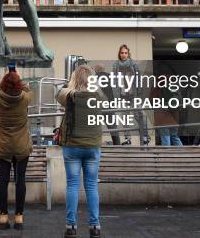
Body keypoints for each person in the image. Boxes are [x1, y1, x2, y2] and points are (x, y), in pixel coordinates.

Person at [56, 65, 104, 238]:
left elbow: (59, 93)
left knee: (72, 185)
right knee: (91, 186)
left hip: (72, 146)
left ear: (75, 79)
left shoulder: (69, 96)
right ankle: (95, 226)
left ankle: (71, 225)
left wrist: (71, 83)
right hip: (92, 146)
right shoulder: (99, 96)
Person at [0, 70, 33, 230]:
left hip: (2, 145)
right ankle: (19, 218)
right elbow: (28, 90)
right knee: (20, 180)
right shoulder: (25, 98)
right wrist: (19, 81)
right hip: (21, 146)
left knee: (3, 180)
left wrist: (5, 80)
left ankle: (3, 218)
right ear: (18, 85)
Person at [112, 44, 150, 145]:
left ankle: (145, 136)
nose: (124, 55)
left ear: (128, 54)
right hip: (123, 95)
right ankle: (127, 139)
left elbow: (138, 79)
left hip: (133, 95)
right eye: (122, 53)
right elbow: (115, 82)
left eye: (125, 53)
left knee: (140, 116)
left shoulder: (133, 64)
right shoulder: (116, 65)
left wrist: (139, 94)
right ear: (119, 54)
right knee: (125, 118)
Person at [93, 64, 120, 145]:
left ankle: (96, 143)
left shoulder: (95, 78)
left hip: (100, 104)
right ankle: (117, 144)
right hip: (110, 104)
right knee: (112, 126)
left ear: (96, 70)